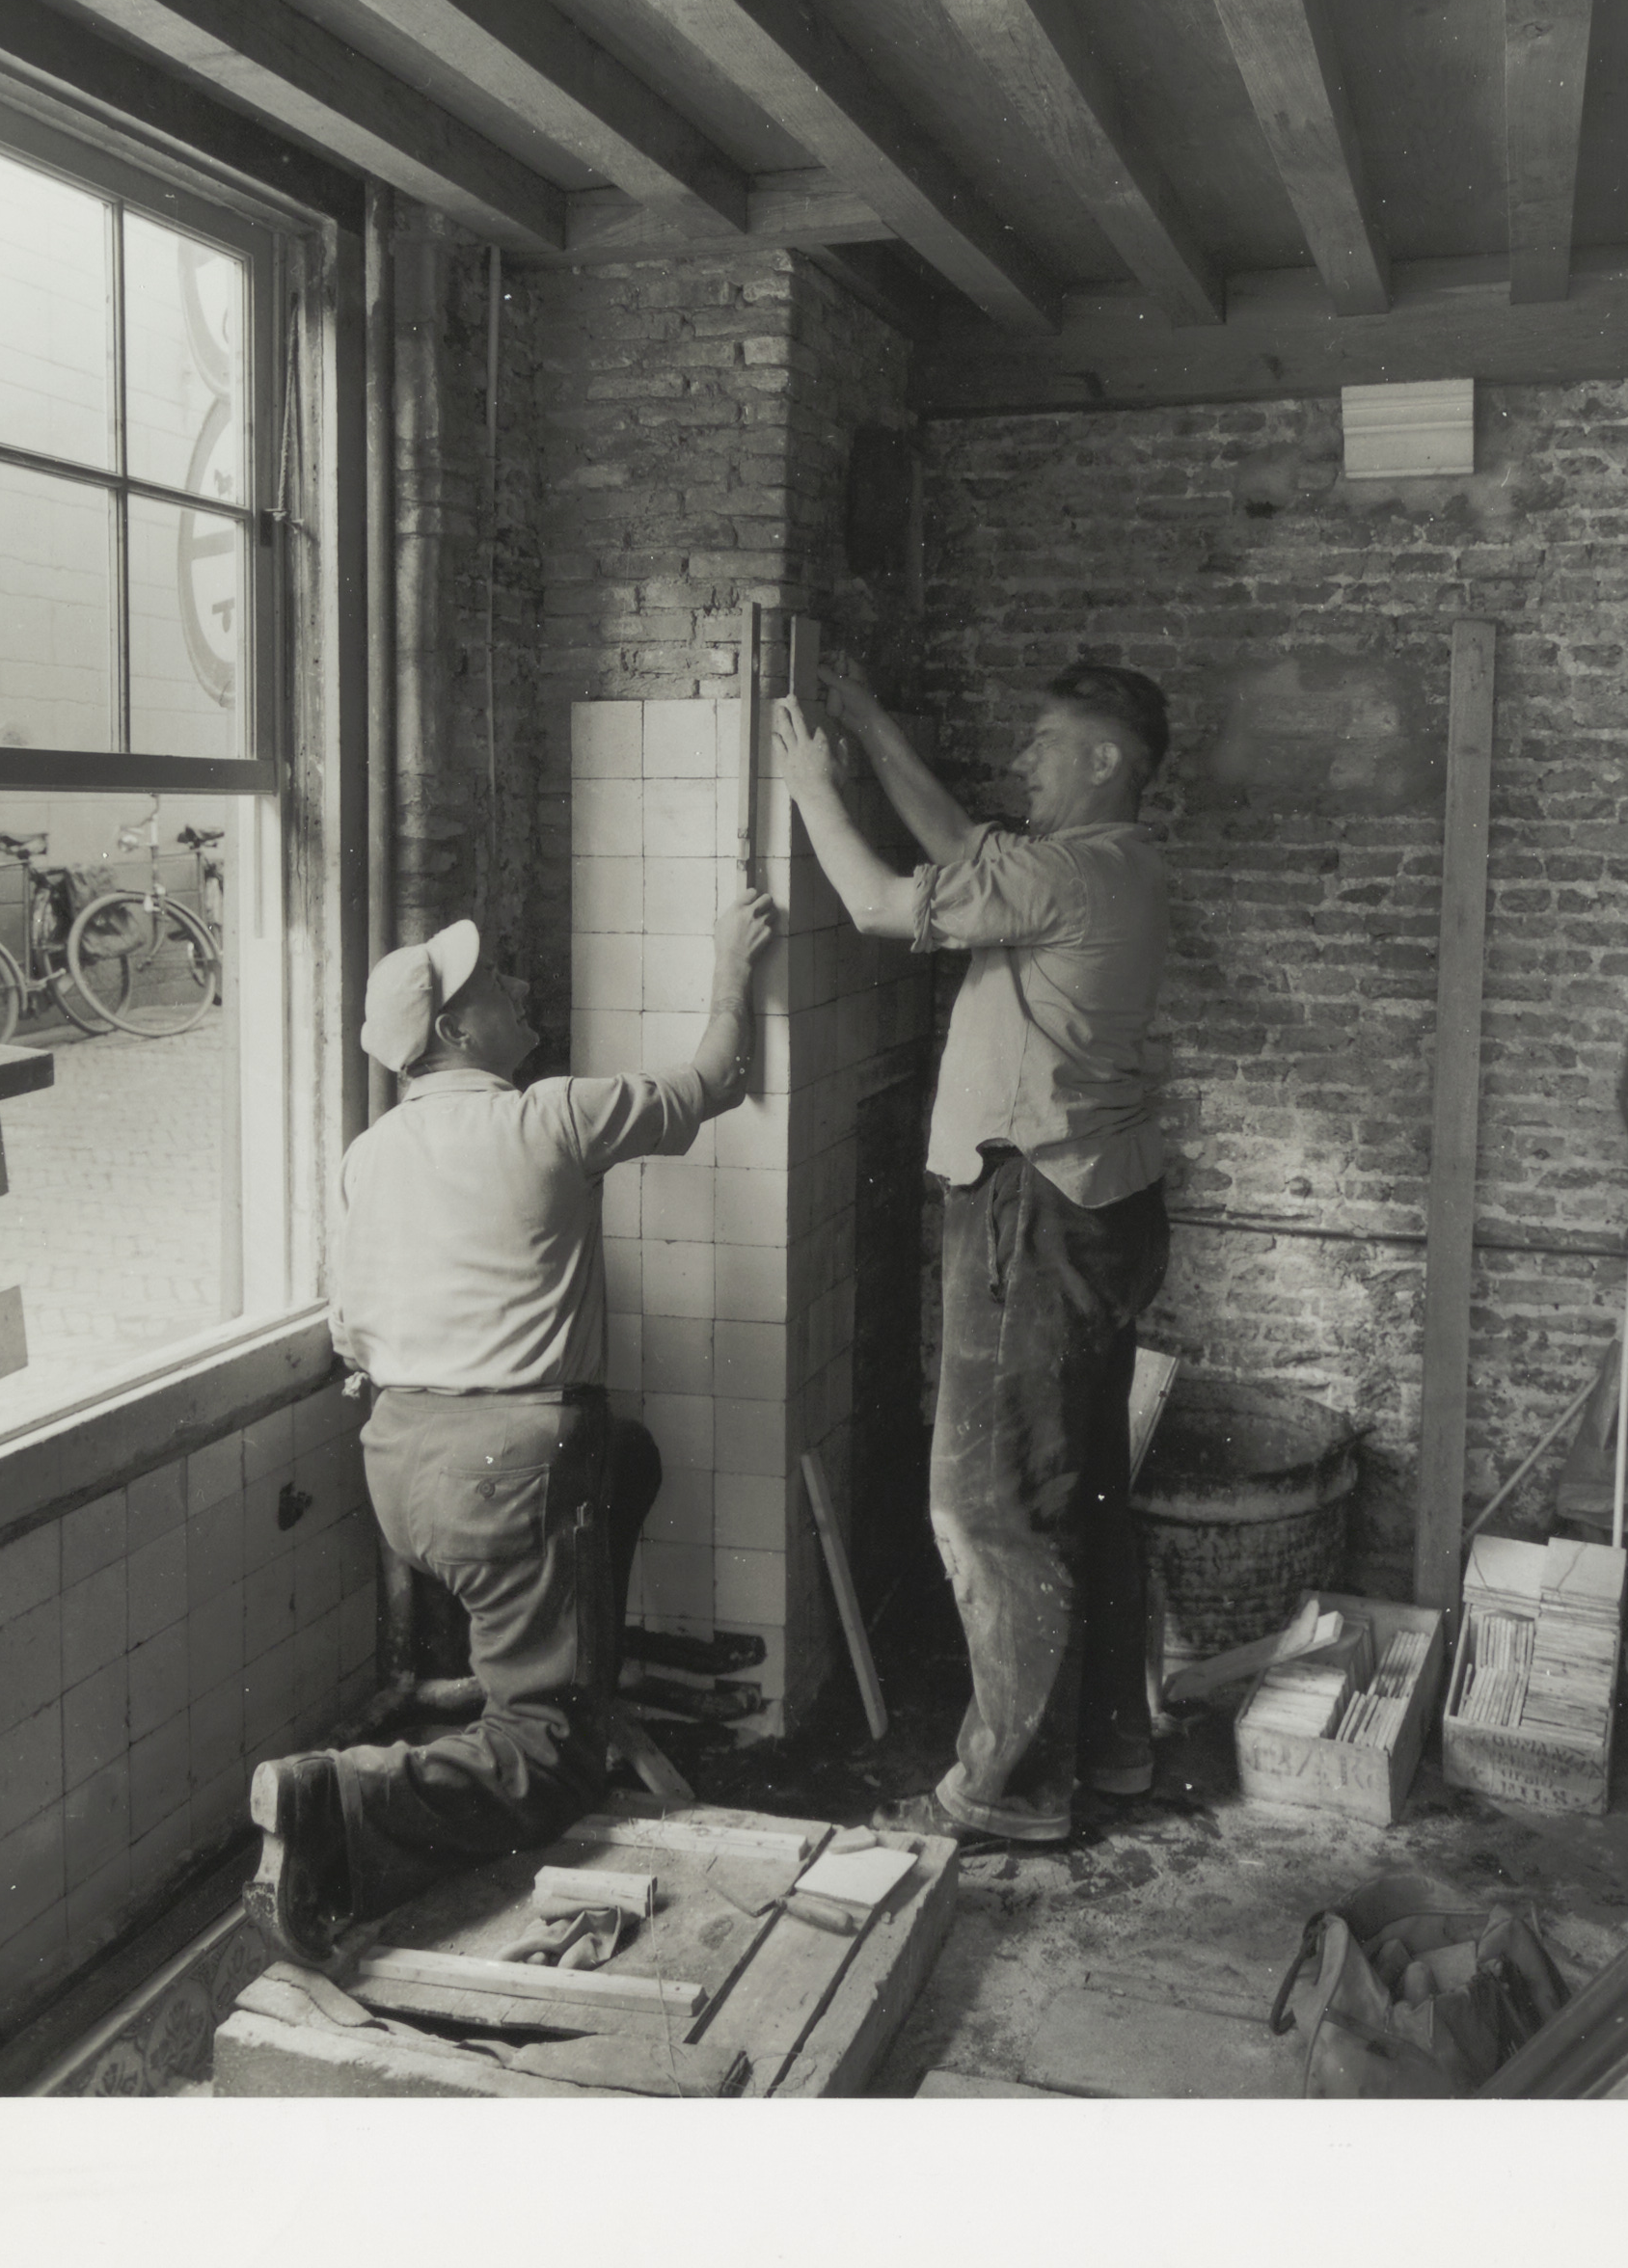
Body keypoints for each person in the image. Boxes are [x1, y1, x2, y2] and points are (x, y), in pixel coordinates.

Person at [248, 888, 778, 1958]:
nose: (521, 986)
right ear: (454, 1030)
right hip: (510, 1474)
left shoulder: (366, 1154)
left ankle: (557, 1671)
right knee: (550, 1765)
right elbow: (718, 1079)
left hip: (401, 1469)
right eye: (496, 984)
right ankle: (339, 1796)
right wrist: (733, 955)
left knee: (626, 1457)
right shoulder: (550, 1117)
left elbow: (352, 1331)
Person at [773, 658, 1174, 1851]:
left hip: (1031, 1209)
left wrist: (810, 784)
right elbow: (961, 845)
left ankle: (1011, 1789)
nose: (1021, 760)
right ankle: (1112, 1746)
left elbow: (880, 904)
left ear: (1105, 759)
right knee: (1080, 1489)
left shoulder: (1063, 873)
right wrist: (869, 717)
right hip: (1101, 1202)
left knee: (988, 1504)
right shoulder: (1113, 864)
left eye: (1045, 743)